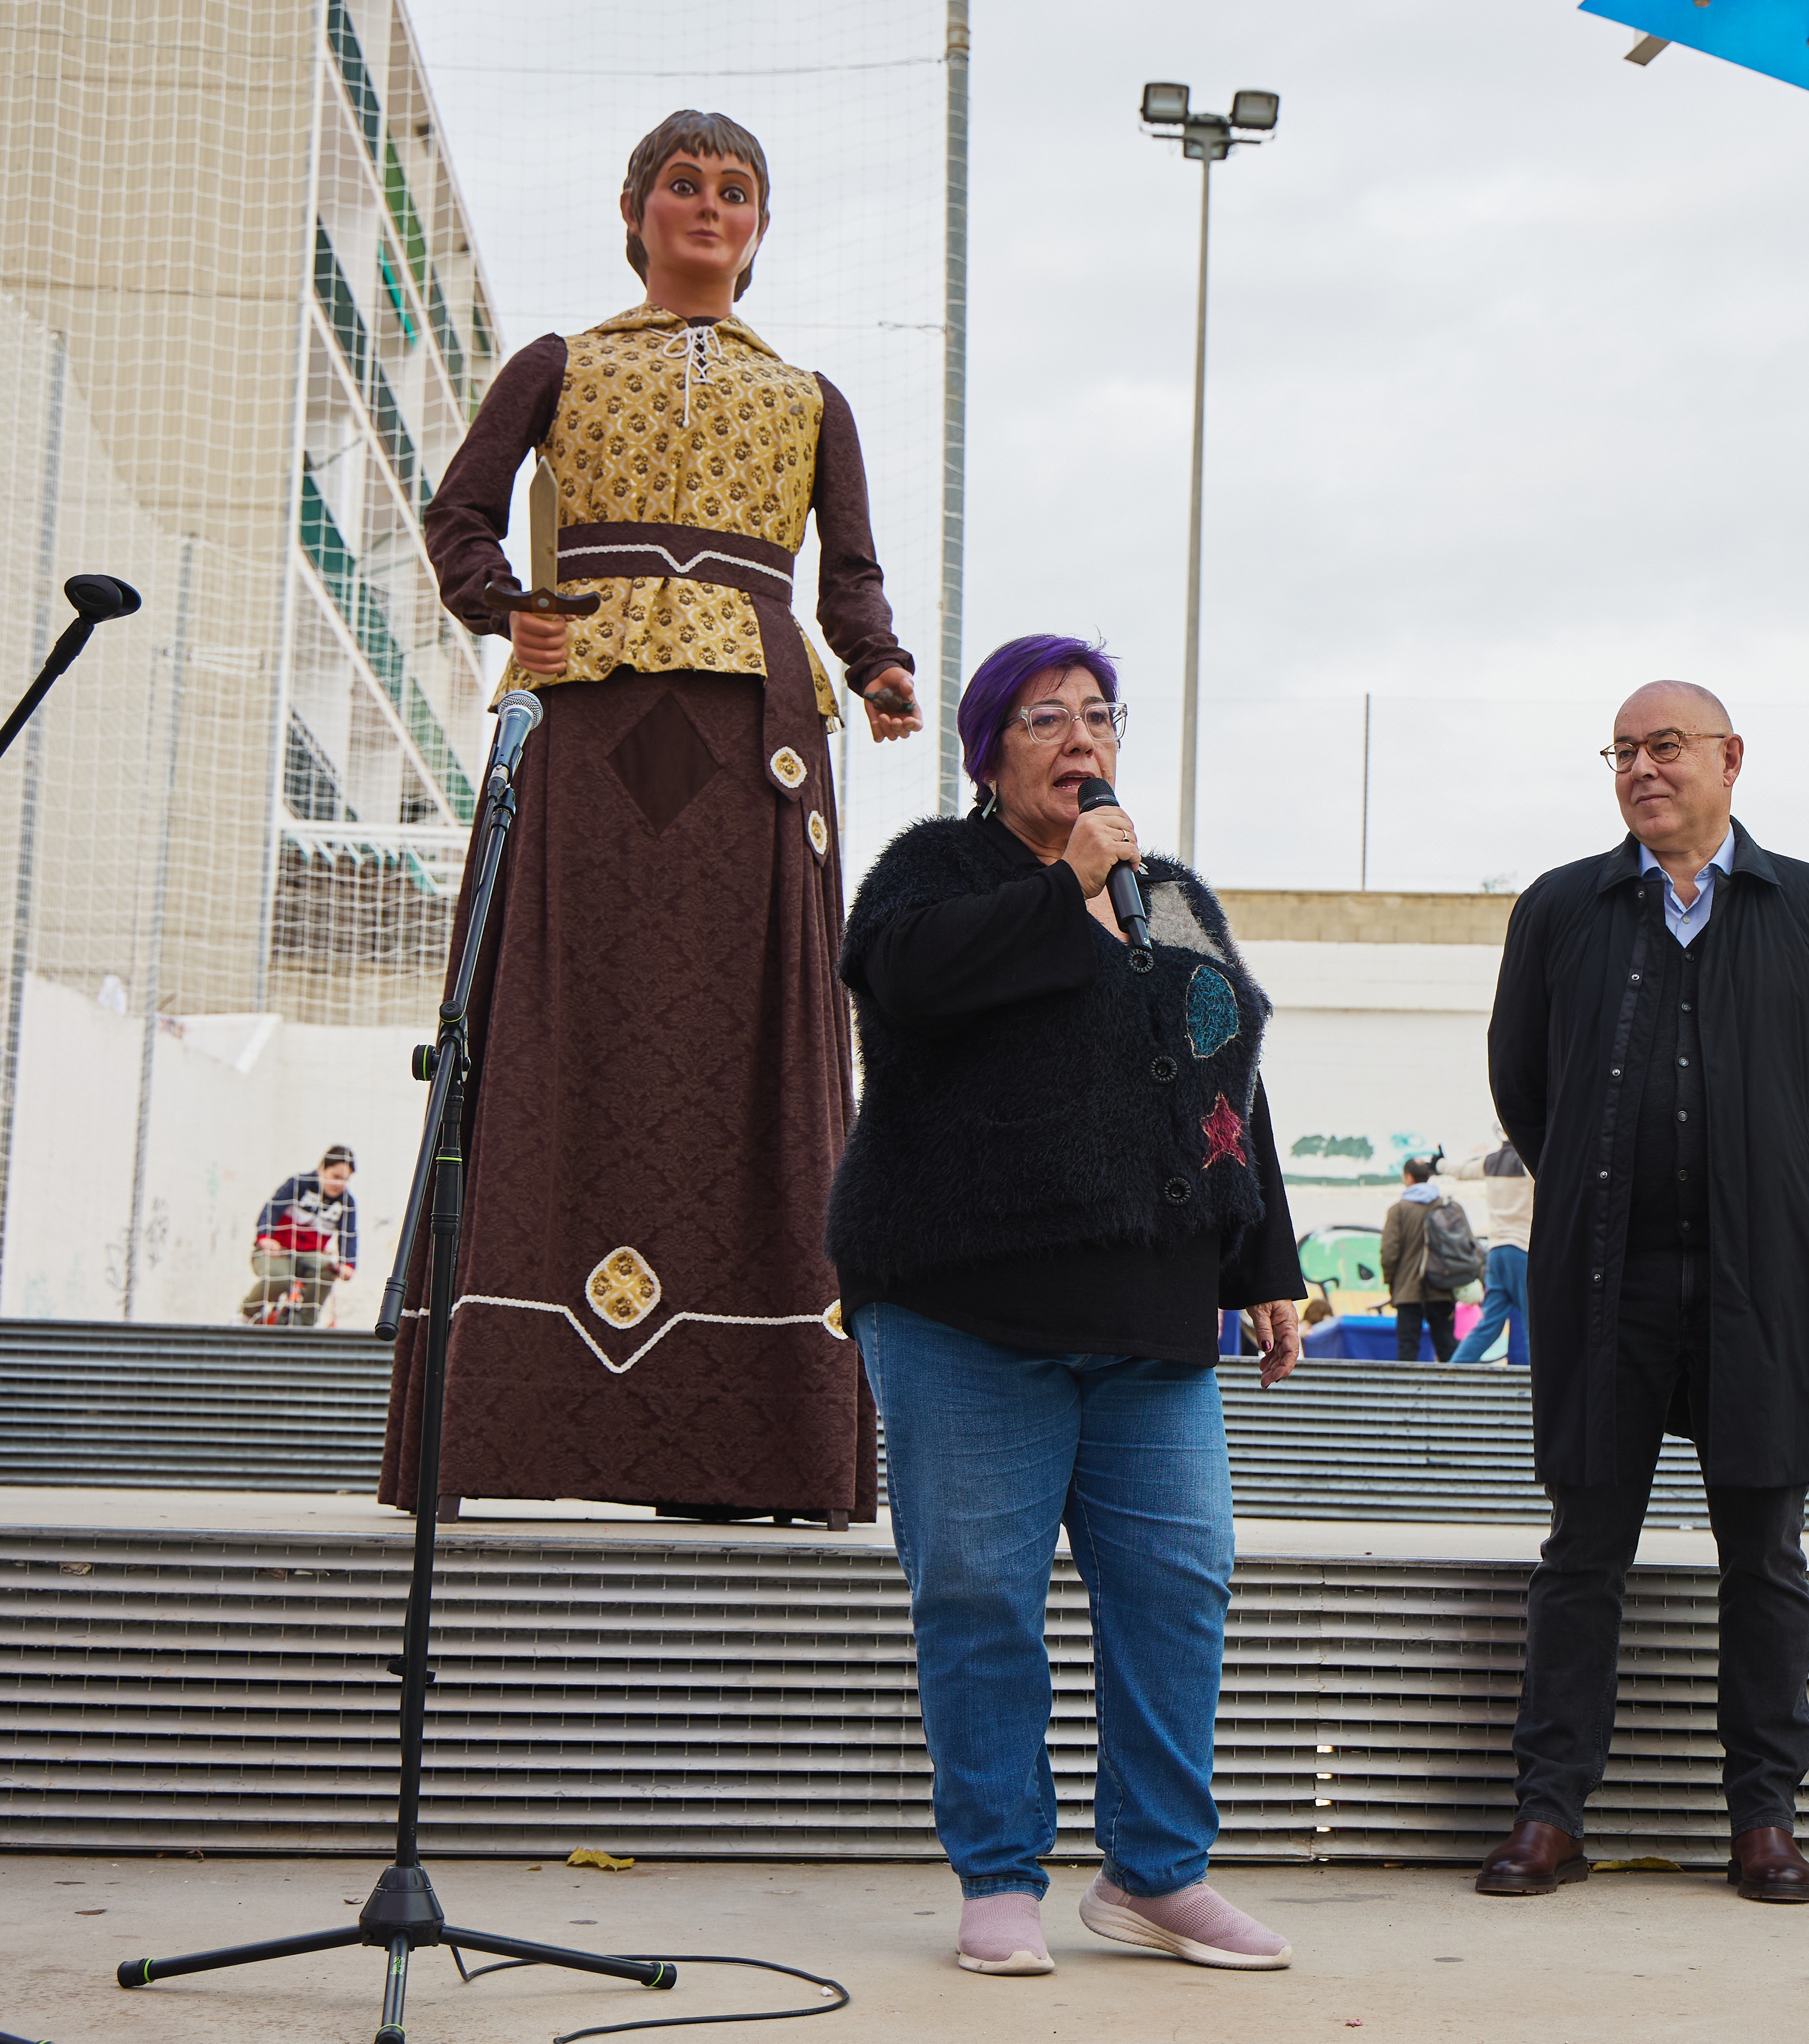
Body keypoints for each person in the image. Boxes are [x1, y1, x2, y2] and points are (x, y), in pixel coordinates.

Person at [381, 111, 919, 1526]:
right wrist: (510, 611)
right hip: (590, 718)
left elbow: (851, 571)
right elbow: (459, 517)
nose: (709, 205)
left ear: (759, 223)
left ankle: (748, 1432)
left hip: (759, 733)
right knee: (569, 1006)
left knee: (747, 1030)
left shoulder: (810, 395)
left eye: (735, 189)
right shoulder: (559, 363)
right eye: (683, 184)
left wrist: (878, 667)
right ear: (634, 209)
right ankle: (517, 1411)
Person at [826, 633, 1309, 1976]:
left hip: (1150, 1313)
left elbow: (1228, 1068)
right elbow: (903, 979)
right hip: (966, 1305)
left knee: (1177, 1583)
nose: (1081, 738)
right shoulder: (936, 870)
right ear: (990, 750)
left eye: (1099, 714)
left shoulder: (1169, 891)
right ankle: (998, 1871)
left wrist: (1263, 1258)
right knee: (979, 1591)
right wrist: (1067, 889)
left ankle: (1155, 1871)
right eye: (1047, 717)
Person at [1480, 680, 1809, 1905]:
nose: (1642, 768)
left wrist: (1783, 1201)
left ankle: (1765, 1818)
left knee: (1764, 1557)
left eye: (1667, 747)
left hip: (1760, 1290)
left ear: (1731, 758)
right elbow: (1523, 1085)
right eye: (1623, 751)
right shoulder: (1563, 908)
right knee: (1582, 1553)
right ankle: (1550, 1812)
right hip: (1604, 1284)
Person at [242, 1146, 359, 1326]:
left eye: (345, 1180)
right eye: (336, 1177)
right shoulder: (299, 1184)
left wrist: (348, 1263)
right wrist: (264, 1238)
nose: (339, 1184)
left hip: (310, 1257)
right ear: (321, 1169)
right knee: (280, 1278)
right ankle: (245, 1314)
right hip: (278, 1251)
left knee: (328, 1272)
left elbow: (349, 1235)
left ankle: (305, 1326)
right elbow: (272, 1209)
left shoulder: (346, 1202)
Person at [1379, 1155, 1464, 1361]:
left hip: (1409, 1292)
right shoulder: (1449, 1207)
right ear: (1428, 1177)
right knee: (1447, 1350)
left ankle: (1405, 1393)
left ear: (1408, 1178)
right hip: (1443, 1289)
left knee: (1407, 1351)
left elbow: (1389, 1254)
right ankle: (1452, 1392)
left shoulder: (1399, 1210)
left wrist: (1393, 1283)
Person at [1458, 1140, 1533, 1364]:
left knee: (1489, 1326)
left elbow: (1462, 1171)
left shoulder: (1491, 1161)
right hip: (1522, 1251)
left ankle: (1451, 1373)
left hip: (1497, 1253)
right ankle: (1540, 1392)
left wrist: (1439, 1165)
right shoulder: (1529, 1163)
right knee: (1535, 1327)